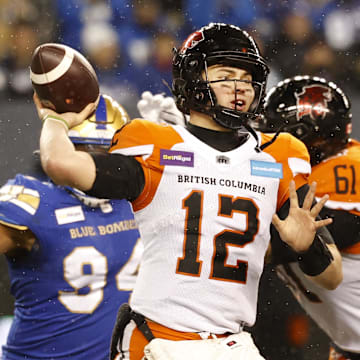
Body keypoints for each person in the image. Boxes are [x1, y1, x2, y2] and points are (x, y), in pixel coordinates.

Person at [34, 23, 342, 360]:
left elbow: (332, 276)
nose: (240, 87)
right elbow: (60, 164)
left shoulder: (279, 155)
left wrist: (306, 246)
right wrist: (55, 119)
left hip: (232, 343)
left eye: (246, 77)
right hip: (160, 339)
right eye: (226, 75)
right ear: (195, 78)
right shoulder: (157, 145)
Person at [0, 94, 142, 360]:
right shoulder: (35, 200)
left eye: (106, 155)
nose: (96, 165)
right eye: (84, 151)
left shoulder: (144, 199)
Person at [259, 75, 359, 360]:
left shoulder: (343, 172)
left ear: (305, 137)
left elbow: (276, 240)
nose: (263, 140)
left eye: (272, 131)